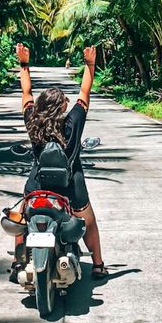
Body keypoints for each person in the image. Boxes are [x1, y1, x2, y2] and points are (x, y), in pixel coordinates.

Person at [9, 43, 108, 283]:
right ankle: (97, 265)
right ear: (62, 107)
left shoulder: (33, 122)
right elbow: (84, 93)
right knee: (89, 223)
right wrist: (90, 64)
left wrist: (24, 63)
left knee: (22, 219)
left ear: (42, 107)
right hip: (71, 186)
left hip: (38, 185)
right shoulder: (72, 123)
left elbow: (26, 94)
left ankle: (17, 262)